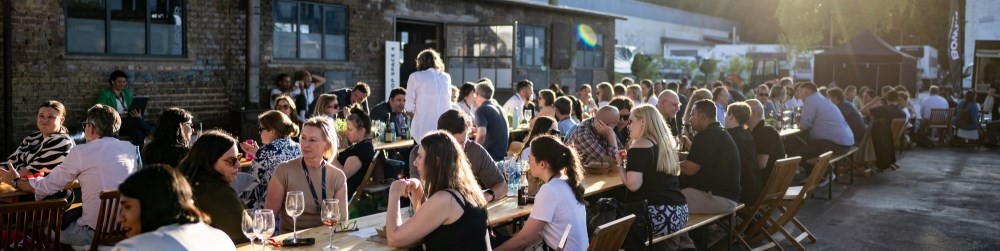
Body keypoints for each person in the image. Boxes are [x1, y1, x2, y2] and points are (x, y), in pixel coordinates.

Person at [0, 104, 137, 247]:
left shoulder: (81, 152)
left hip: (92, 234)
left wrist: (15, 181)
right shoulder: (129, 148)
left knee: (41, 229)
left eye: (85, 125)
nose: (84, 129)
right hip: (126, 229)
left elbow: (47, 186)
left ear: (91, 128)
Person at [385, 131, 490, 250]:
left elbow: (394, 239)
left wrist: (394, 192)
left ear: (436, 161)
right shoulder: (466, 191)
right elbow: (425, 223)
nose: (415, 163)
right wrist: (418, 189)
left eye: (420, 156)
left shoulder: (446, 199)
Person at [495, 136, 589, 251]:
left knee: (495, 243)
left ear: (542, 164)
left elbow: (524, 239)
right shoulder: (567, 182)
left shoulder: (550, 190)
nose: (528, 162)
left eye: (530, 159)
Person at [113, 165, 237, 251]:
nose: (120, 218)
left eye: (127, 207)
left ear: (152, 205)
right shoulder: (221, 238)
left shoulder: (133, 247)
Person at [616, 105, 688, 249]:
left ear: (643, 122)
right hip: (680, 212)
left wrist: (620, 165)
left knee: (610, 222)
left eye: (631, 121)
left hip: (657, 215)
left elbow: (633, 185)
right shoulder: (667, 144)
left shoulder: (640, 146)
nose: (627, 126)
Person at [265, 117, 349, 233]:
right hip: (293, 242)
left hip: (326, 241)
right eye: (303, 138)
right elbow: (268, 217)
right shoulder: (284, 171)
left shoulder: (337, 177)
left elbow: (342, 222)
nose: (305, 144)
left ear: (327, 145)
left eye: (312, 140)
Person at [676, 100, 740, 249]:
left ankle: (686, 246)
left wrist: (662, 165)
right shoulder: (718, 132)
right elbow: (699, 160)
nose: (689, 119)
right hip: (727, 197)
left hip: (718, 198)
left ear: (703, 116)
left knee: (668, 204)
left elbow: (689, 169)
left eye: (692, 115)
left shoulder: (706, 135)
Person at [408, 110, 508, 203]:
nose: (458, 148)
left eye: (462, 142)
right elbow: (418, 201)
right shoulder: (421, 154)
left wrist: (487, 196)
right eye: (453, 144)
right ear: (439, 138)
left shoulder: (474, 151)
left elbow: (502, 186)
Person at [176, 130, 247, 243]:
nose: (238, 164)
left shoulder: (184, 184)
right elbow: (244, 235)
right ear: (210, 161)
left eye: (238, 157)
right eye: (231, 160)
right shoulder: (219, 193)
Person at [239, 110, 302, 210]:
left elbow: (252, 181)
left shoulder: (265, 152)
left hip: (271, 207)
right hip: (294, 202)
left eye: (261, 129)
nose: (259, 132)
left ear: (272, 132)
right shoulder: (298, 147)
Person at [6, 100, 75, 176]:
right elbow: (11, 161)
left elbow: (34, 169)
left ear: (61, 120)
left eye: (50, 117)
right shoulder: (32, 138)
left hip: (46, 186)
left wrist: (9, 179)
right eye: (41, 116)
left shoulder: (64, 142)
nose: (45, 120)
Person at [794, 82, 854, 163]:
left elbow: (804, 126)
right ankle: (819, 173)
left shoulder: (811, 100)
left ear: (807, 93)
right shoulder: (821, 98)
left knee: (797, 154)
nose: (800, 96)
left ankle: (812, 175)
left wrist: (797, 123)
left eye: (800, 93)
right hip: (845, 142)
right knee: (807, 147)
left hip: (837, 144)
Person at [404, 48, 453, 141]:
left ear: (420, 62)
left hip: (423, 131)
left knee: (421, 154)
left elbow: (409, 108)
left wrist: (420, 118)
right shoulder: (446, 77)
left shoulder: (415, 76)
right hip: (444, 129)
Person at [96, 70, 152, 148]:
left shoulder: (127, 93)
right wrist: (118, 115)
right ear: (112, 82)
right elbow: (98, 112)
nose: (122, 84)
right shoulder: (104, 94)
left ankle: (137, 157)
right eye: (119, 82)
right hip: (114, 124)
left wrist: (138, 114)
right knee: (138, 121)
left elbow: (132, 108)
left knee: (138, 133)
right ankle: (155, 134)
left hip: (128, 122)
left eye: (124, 82)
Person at [722, 102, 763, 205]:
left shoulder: (727, 136)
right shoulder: (747, 134)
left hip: (741, 192)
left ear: (731, 116)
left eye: (726, 114)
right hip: (755, 188)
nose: (725, 117)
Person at [334, 108, 376, 198]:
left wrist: (331, 155)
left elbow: (343, 175)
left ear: (362, 131)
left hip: (338, 195)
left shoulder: (362, 150)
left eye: (350, 130)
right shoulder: (363, 146)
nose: (346, 133)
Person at [745, 99, 785, 181]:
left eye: (744, 111)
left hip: (767, 184)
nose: (741, 114)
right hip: (769, 181)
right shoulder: (757, 130)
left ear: (753, 113)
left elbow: (761, 164)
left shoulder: (765, 132)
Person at [474, 81, 510, 161]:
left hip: (489, 157)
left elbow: (482, 134)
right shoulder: (500, 108)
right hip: (501, 156)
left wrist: (474, 151)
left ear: (477, 94)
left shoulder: (481, 110)